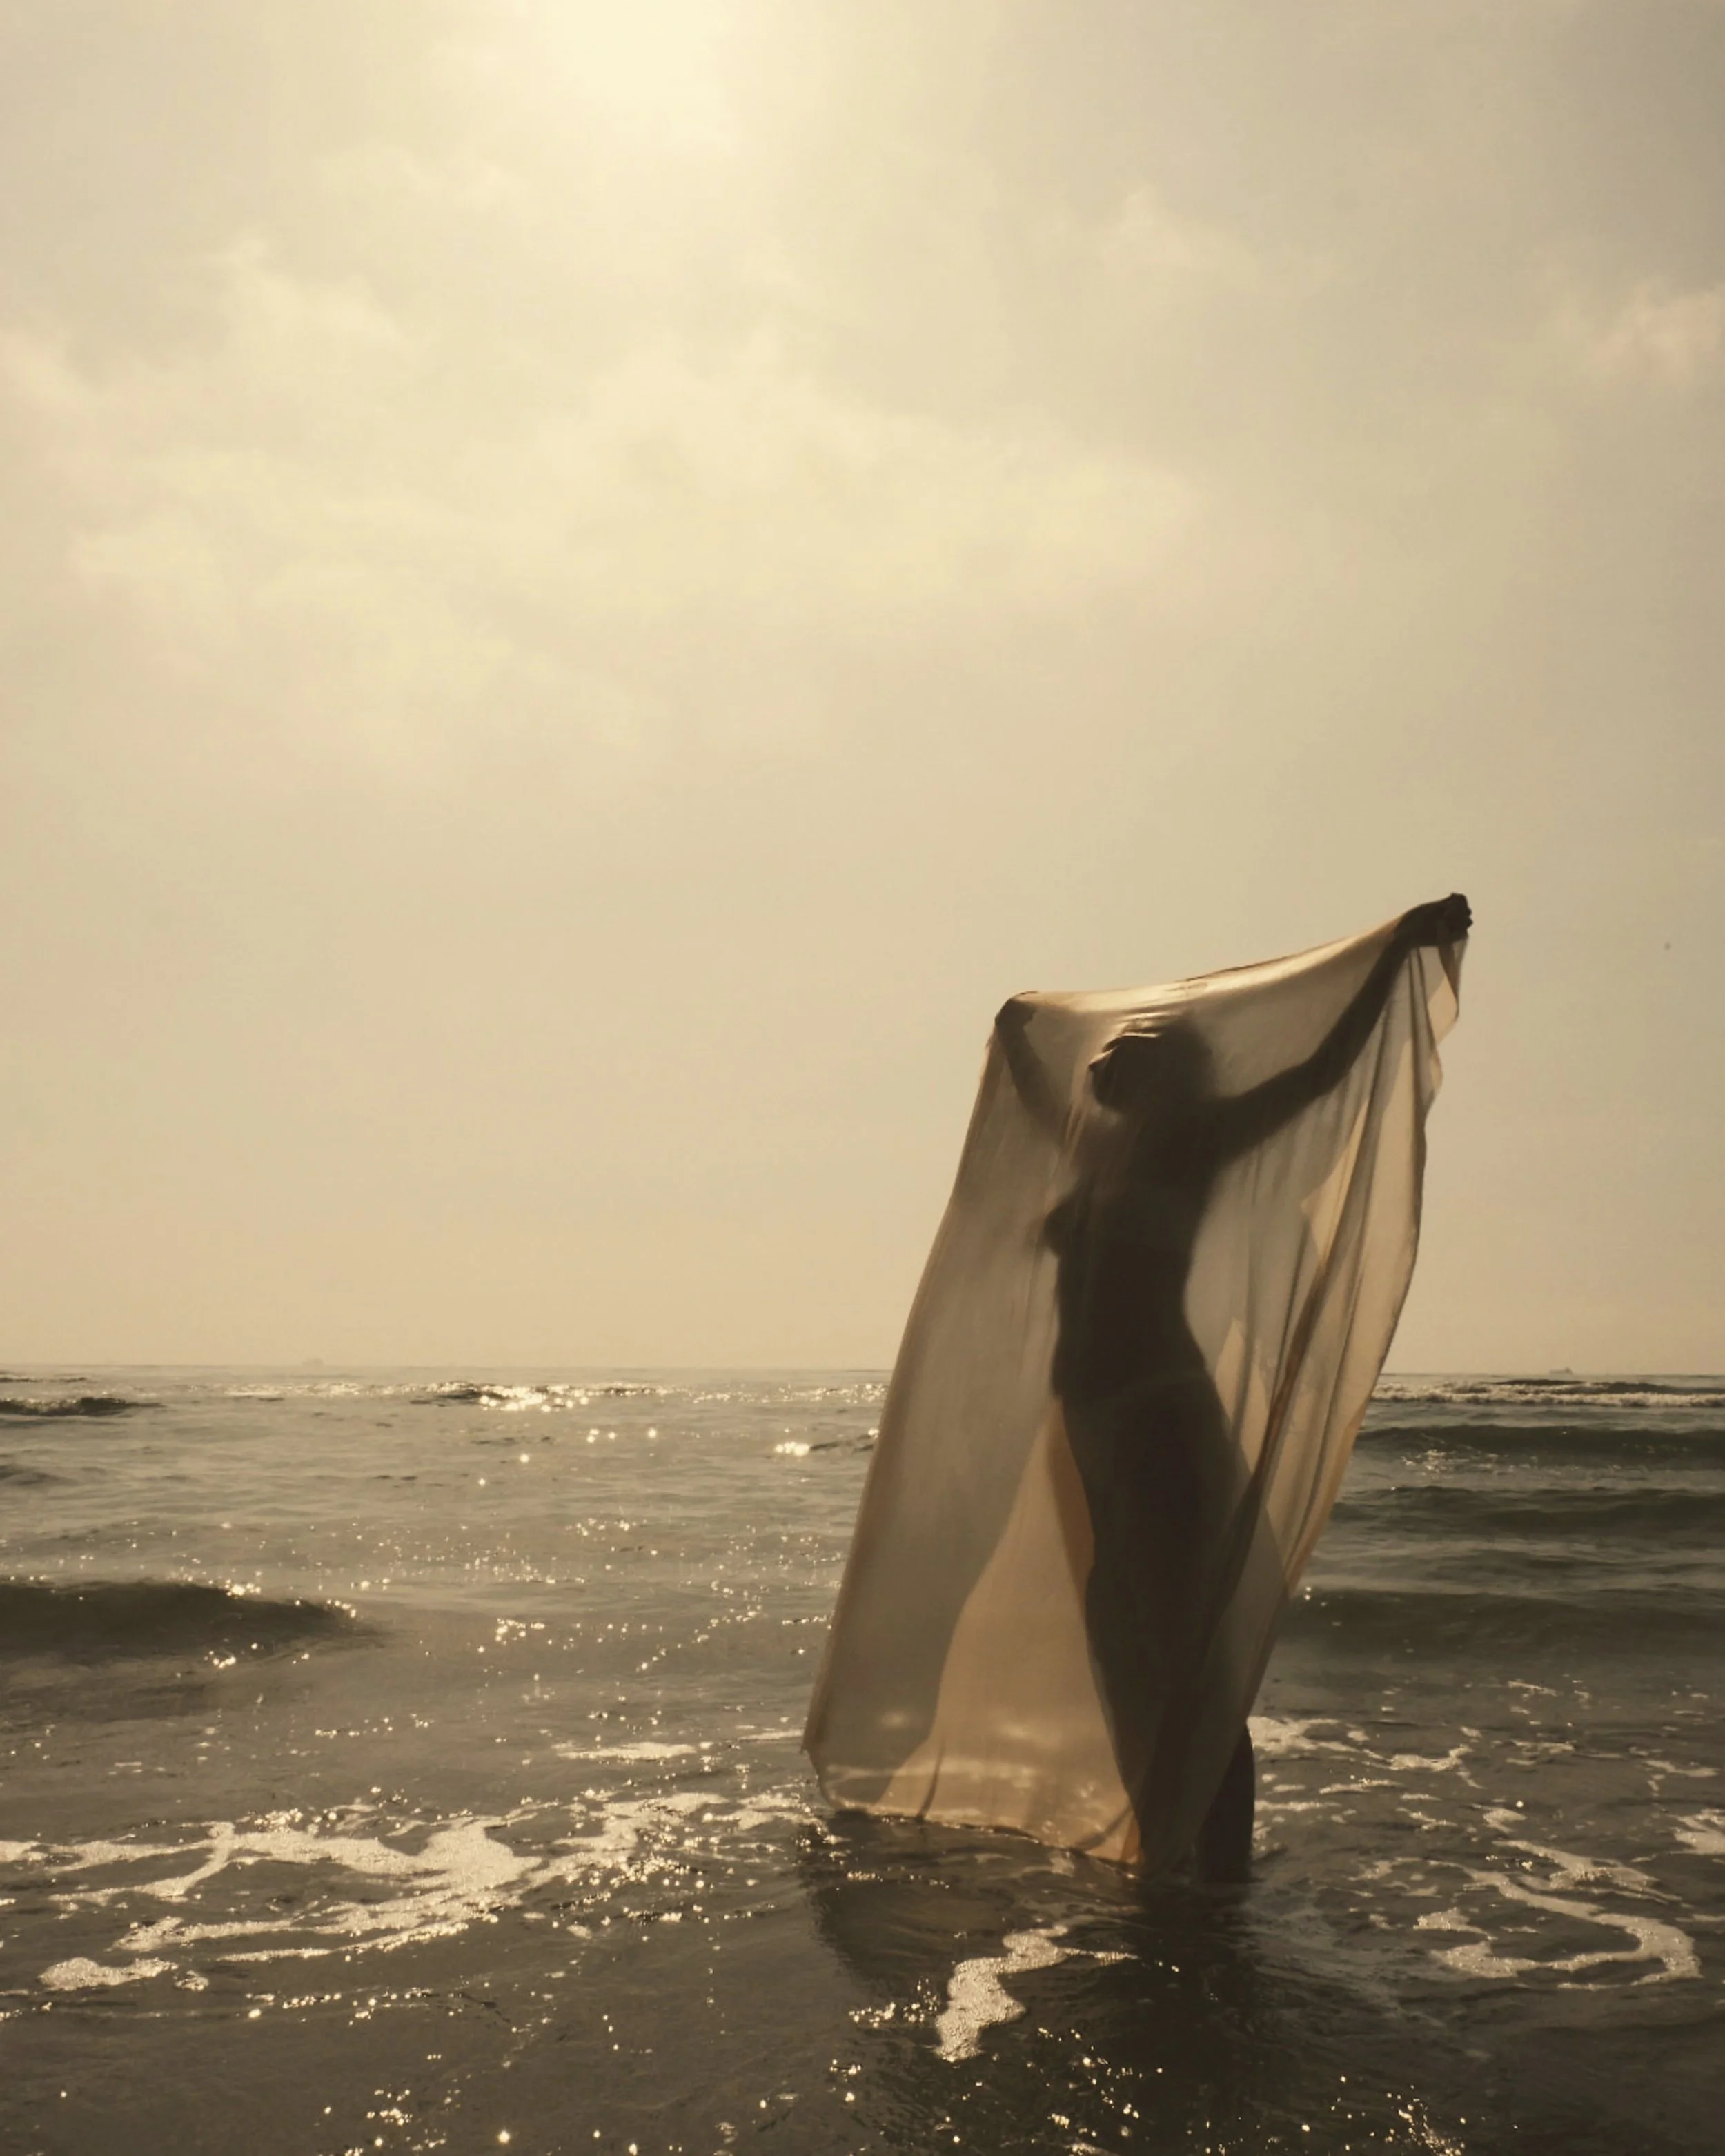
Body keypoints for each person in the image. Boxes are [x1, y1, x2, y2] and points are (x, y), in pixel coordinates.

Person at [996, 894, 1471, 1881]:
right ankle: (1170, 1850)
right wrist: (1018, 1042)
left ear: (1167, 1066)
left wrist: (1393, 955)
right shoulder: (1097, 1152)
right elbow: (1044, 1098)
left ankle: (1221, 1880)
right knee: (1125, 1643)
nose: (1101, 1059)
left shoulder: (1199, 1137)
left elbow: (1319, 1074)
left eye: (1124, 1047)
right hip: (1092, 1423)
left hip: (1160, 1416)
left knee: (1185, 1659)